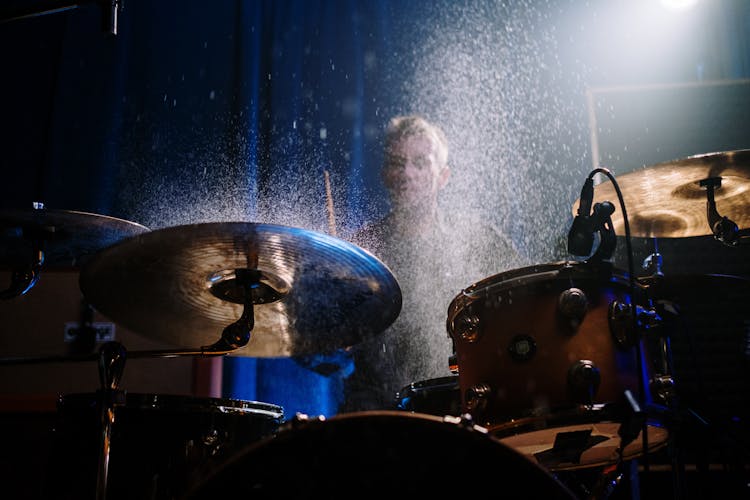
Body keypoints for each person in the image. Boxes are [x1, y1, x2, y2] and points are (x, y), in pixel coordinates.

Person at [340, 114, 526, 413]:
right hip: (375, 411)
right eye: (397, 163)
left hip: (461, 402)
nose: (407, 174)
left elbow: (524, 303)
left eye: (421, 162)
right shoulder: (360, 249)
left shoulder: (478, 240)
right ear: (385, 173)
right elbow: (320, 347)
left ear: (443, 176)